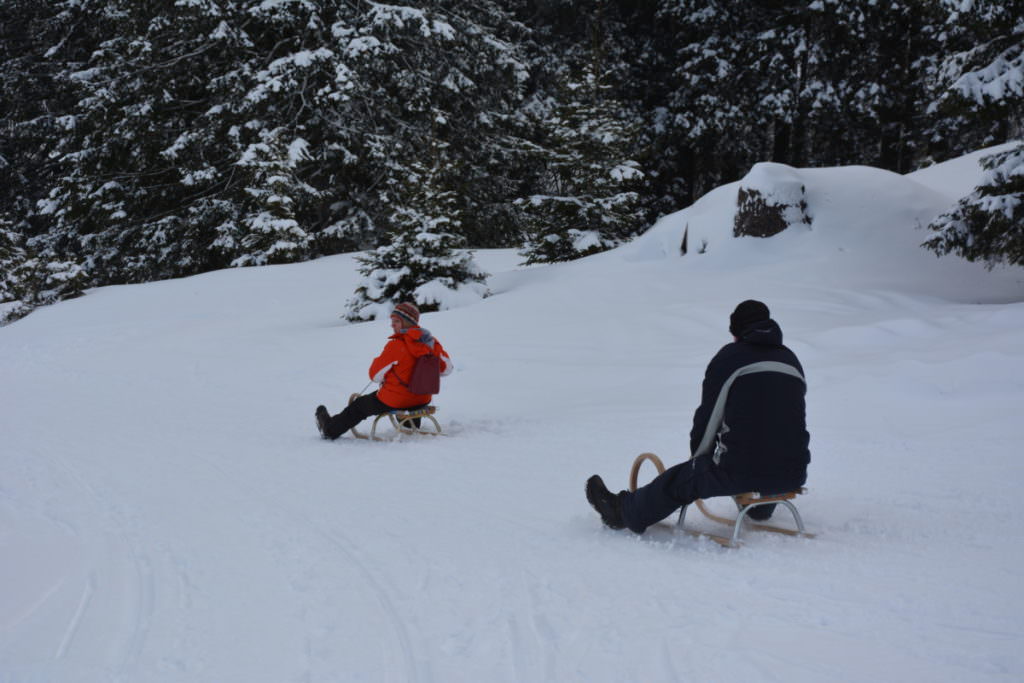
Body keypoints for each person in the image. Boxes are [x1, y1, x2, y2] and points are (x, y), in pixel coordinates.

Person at [585, 300, 810, 533]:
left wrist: (697, 463)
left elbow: (708, 417)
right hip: (794, 472)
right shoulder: (791, 360)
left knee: (681, 480)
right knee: (765, 449)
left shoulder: (730, 357)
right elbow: (789, 417)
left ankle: (623, 512)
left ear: (737, 332)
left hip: (744, 470)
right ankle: (761, 507)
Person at [315, 302, 452, 440]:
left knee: (359, 406)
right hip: (423, 399)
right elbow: (447, 369)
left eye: (396, 321)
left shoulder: (396, 345)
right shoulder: (431, 342)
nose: (392, 325)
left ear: (407, 323)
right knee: (408, 397)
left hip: (396, 400)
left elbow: (374, 376)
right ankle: (409, 426)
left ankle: (329, 430)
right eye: (392, 321)